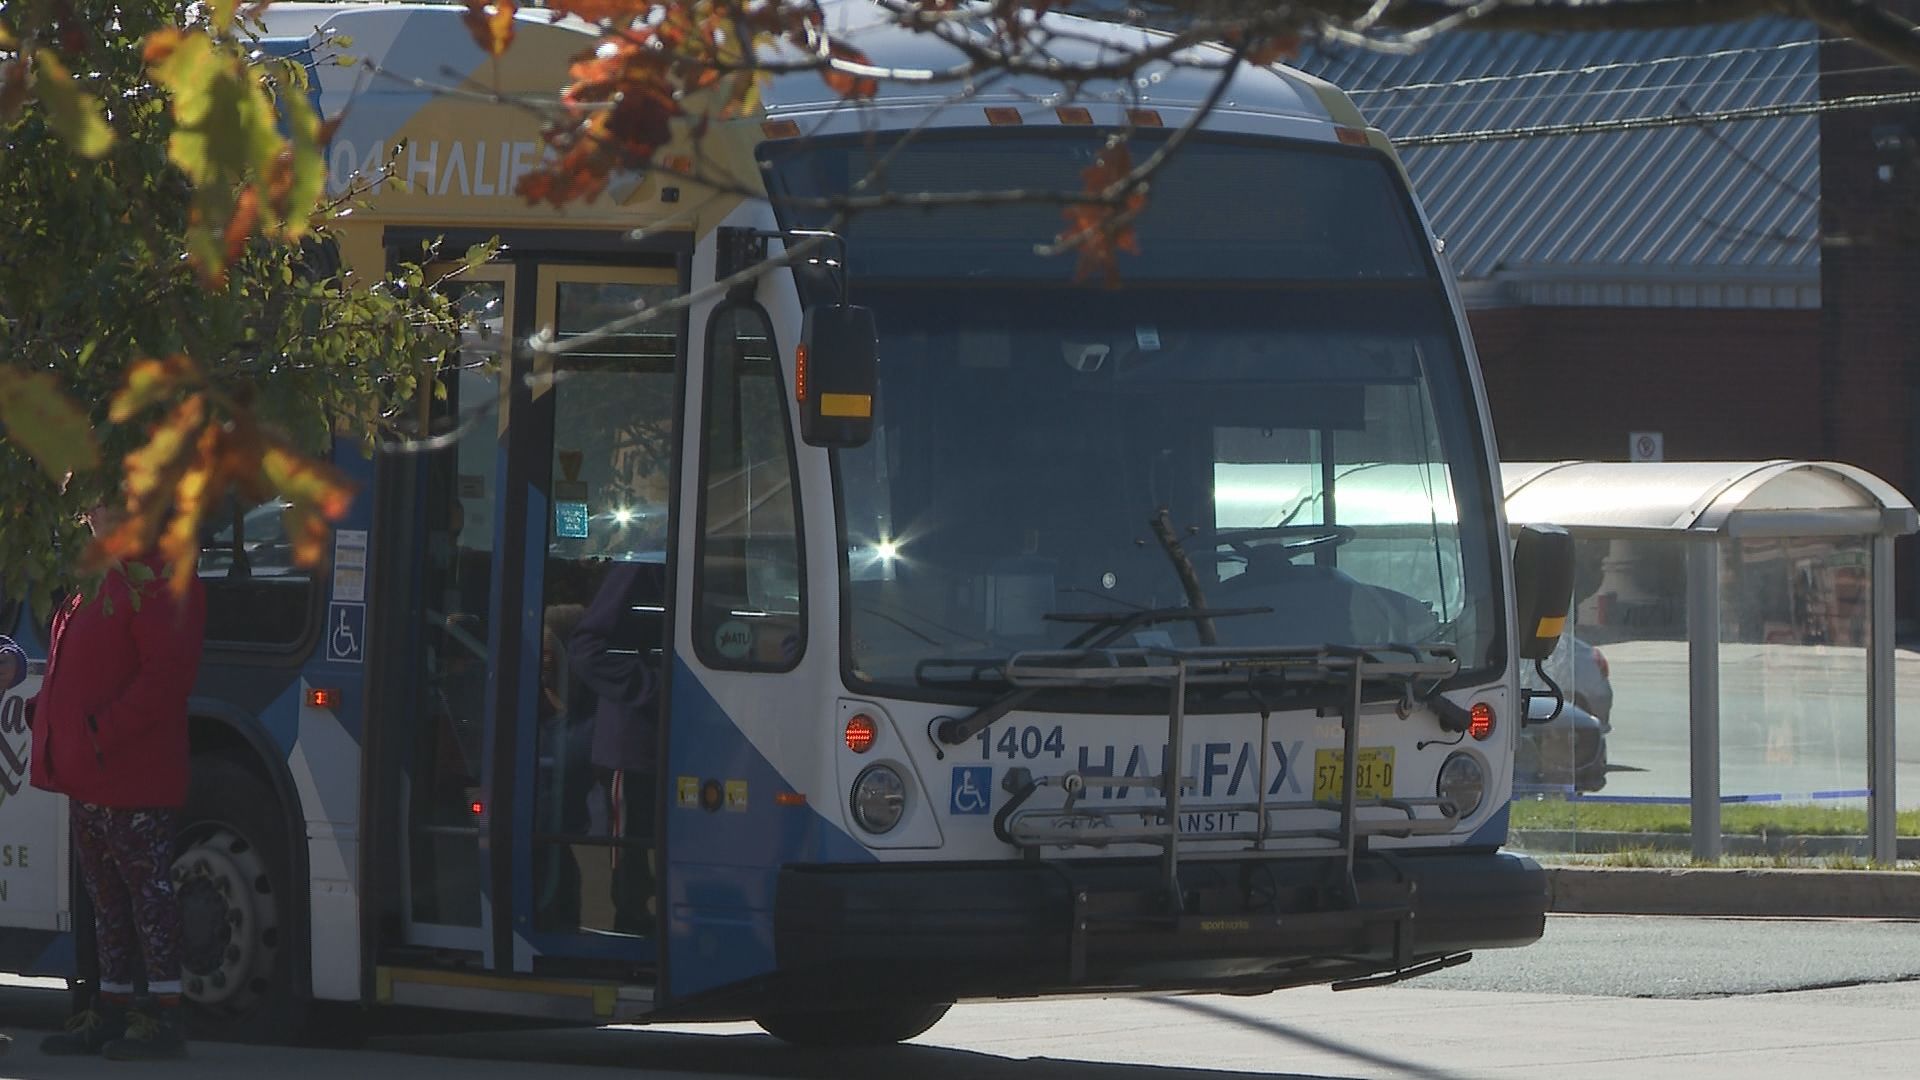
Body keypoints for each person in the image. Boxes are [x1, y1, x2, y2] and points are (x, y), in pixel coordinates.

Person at [27, 500, 207, 1061]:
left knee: (146, 894)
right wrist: (53, 717)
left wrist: (102, 732)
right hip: (93, 772)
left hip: (132, 773)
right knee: (108, 899)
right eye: (86, 502)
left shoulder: (156, 573)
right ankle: (111, 1011)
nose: (91, 511)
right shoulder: (102, 571)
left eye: (106, 499)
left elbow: (166, 675)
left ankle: (162, 1018)